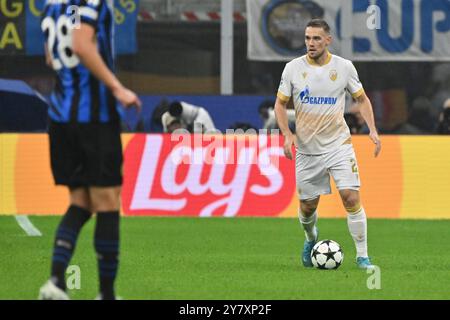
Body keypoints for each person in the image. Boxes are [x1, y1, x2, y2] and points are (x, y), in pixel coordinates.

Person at [39, 0, 141, 300]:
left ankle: (56, 282)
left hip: (61, 117)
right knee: (107, 202)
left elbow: (50, 57)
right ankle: (106, 295)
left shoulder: (56, 5)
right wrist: (116, 87)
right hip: (93, 119)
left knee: (81, 201)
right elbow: (81, 44)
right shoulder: (88, 3)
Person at [274, 19, 381, 269]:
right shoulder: (292, 68)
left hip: (338, 145)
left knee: (350, 197)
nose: (311, 43)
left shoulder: (344, 68)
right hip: (308, 151)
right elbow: (280, 104)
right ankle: (311, 238)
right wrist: (287, 134)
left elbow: (362, 100)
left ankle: (362, 256)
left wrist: (373, 129)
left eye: (316, 38)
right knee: (307, 207)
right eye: (308, 38)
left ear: (328, 40)